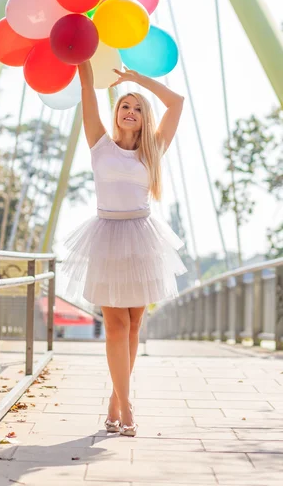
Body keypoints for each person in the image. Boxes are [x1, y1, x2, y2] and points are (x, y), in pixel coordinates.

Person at [61, 61, 187, 437]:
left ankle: (117, 399)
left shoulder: (153, 149)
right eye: (123, 106)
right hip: (107, 237)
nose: (129, 112)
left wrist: (136, 79)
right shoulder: (99, 142)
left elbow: (177, 102)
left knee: (134, 327)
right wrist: (82, 52)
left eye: (136, 107)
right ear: (115, 114)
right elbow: (87, 90)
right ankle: (127, 405)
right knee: (115, 326)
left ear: (144, 117)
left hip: (143, 240)